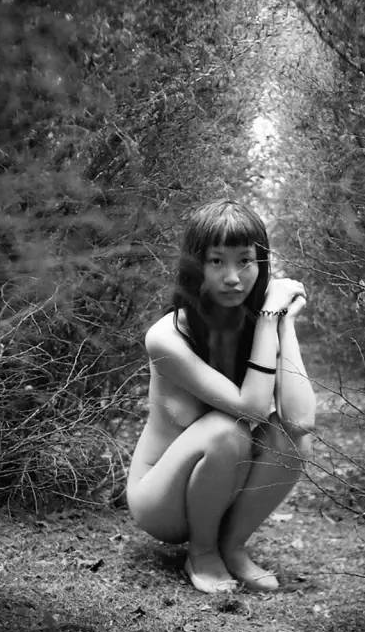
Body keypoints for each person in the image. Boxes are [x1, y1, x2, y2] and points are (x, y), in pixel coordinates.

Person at [126, 199, 316, 594]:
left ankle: (232, 547)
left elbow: (300, 421)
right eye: (217, 261)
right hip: (162, 500)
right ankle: (202, 552)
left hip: (224, 486)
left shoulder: (259, 322)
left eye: (245, 261)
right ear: (196, 265)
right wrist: (269, 318)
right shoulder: (167, 337)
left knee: (292, 440)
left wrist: (283, 322)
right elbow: (250, 409)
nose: (233, 277)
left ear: (261, 264)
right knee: (227, 429)